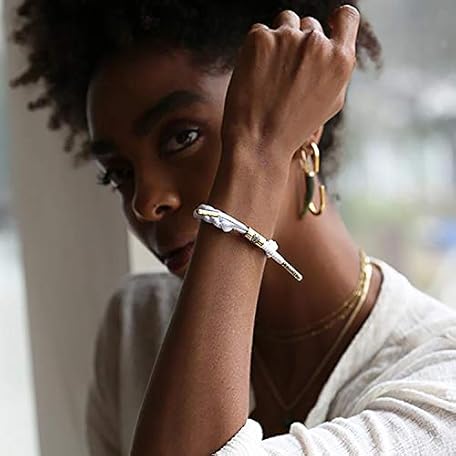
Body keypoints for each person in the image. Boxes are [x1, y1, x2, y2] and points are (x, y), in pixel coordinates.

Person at [11, 0, 456, 454]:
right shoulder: (138, 326)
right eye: (119, 173)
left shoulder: (441, 384)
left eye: (182, 138)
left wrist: (259, 151)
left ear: (304, 120)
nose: (145, 201)